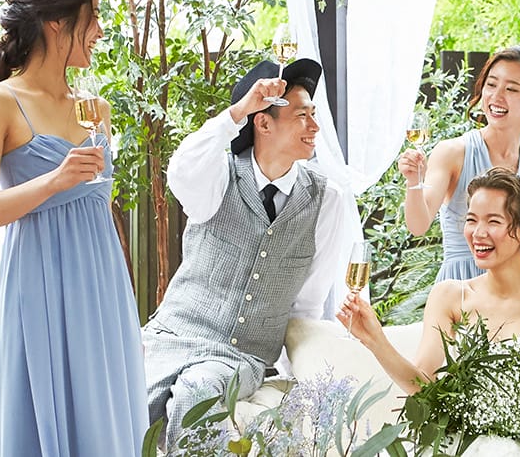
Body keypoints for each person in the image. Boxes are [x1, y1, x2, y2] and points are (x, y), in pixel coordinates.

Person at [0, 0, 142, 455]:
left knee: (103, 417)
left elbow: (97, 204)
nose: (100, 30)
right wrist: (53, 180)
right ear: (58, 22)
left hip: (101, 284)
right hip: (39, 280)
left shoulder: (97, 109)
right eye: (93, 17)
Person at [143, 57, 362, 449]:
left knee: (197, 391)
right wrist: (240, 110)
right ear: (263, 123)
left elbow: (308, 305)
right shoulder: (218, 176)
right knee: (126, 405)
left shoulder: (327, 200)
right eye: (302, 116)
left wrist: (302, 375)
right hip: (172, 337)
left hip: (240, 356)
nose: (314, 127)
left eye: (313, 115)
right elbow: (180, 170)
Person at [339, 168, 520, 456]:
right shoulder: (449, 296)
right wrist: (375, 340)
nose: (478, 233)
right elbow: (423, 387)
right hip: (451, 445)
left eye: (493, 221)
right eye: (471, 220)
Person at [399, 46, 520, 283]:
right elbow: (418, 226)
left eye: (511, 89)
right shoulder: (452, 152)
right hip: (460, 287)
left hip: (514, 290)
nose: (496, 96)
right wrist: (413, 181)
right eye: (491, 84)